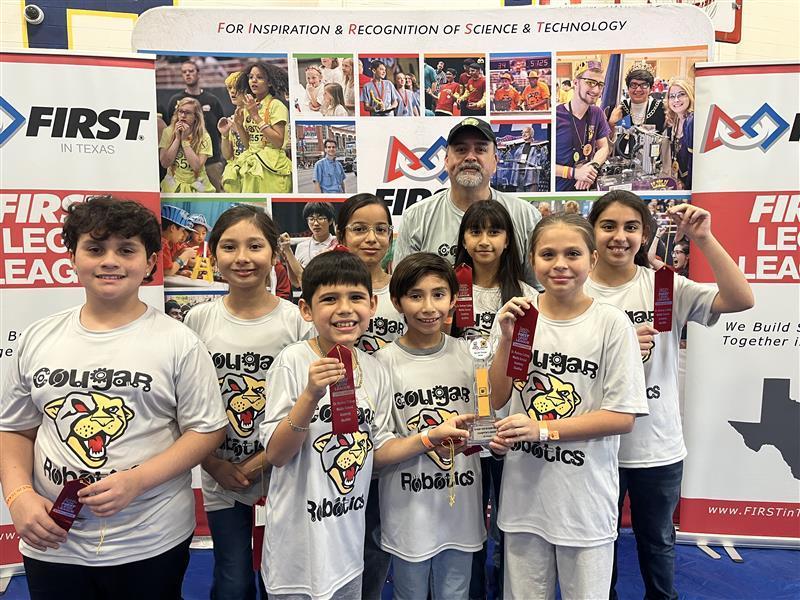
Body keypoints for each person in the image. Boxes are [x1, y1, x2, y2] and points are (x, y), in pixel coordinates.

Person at [0, 195, 227, 600]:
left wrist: (137, 480)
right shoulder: (39, 337)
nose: (110, 261)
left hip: (150, 537)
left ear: (151, 261)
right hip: (54, 539)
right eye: (95, 248)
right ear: (72, 257)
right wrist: (19, 497)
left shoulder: (180, 342)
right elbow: (15, 429)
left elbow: (206, 431)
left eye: (126, 249)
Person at [258, 250, 472, 599]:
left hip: (347, 546)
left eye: (356, 297)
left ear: (373, 305)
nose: (345, 309)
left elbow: (380, 449)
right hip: (298, 550)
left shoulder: (374, 369)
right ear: (306, 310)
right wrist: (310, 395)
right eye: (330, 299)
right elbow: (278, 454)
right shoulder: (293, 361)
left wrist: (430, 437)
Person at [584, 191, 753, 600]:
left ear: (645, 235)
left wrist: (704, 239)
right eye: (608, 226)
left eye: (631, 227)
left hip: (655, 446)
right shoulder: (573, 290)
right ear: (592, 232)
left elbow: (740, 299)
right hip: (593, 446)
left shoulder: (664, 285)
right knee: (596, 546)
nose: (619, 236)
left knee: (657, 543)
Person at [488, 213, 648, 600]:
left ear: (592, 260)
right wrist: (507, 341)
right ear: (532, 259)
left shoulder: (611, 323)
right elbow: (496, 400)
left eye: (572, 253)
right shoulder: (519, 317)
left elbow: (622, 417)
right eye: (548, 254)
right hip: (525, 498)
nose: (559, 264)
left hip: (584, 502)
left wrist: (542, 429)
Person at [183, 205, 314, 600]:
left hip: (285, 474)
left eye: (255, 246)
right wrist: (212, 463)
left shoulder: (296, 321)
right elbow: (184, 405)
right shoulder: (198, 320)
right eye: (229, 247)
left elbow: (307, 404)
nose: (242, 258)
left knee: (281, 578)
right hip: (221, 475)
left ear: (275, 254)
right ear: (213, 254)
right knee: (233, 579)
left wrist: (264, 461)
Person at [375, 253, 485, 600]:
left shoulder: (471, 355)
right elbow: (377, 451)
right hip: (408, 511)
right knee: (410, 592)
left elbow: (486, 421)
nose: (428, 306)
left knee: (456, 592)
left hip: (461, 506)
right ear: (397, 302)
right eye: (415, 295)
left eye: (438, 294)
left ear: (454, 299)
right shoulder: (381, 363)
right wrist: (428, 438)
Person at [451, 202, 537, 600]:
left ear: (508, 240)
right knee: (467, 526)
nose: (484, 241)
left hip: (509, 426)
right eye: (475, 232)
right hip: (461, 423)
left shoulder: (526, 294)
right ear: (463, 239)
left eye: (494, 232)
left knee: (508, 527)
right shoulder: (448, 288)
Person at [336, 193, 405, 599]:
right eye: (359, 229)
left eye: (381, 229)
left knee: (378, 538)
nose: (371, 238)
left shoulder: (404, 291)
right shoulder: (325, 287)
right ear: (342, 235)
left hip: (395, 437)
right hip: (343, 440)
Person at [394, 117, 541, 286]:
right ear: (447, 161)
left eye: (480, 149)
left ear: (495, 162)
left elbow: (537, 290)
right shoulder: (416, 217)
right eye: (461, 149)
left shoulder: (526, 216)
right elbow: (403, 289)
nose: (470, 157)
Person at [166, 60, 225, 192]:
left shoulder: (212, 100)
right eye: (184, 72)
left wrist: (221, 155)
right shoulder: (175, 101)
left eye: (191, 71)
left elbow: (221, 129)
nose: (188, 74)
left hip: (211, 160)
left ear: (198, 73)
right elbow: (169, 128)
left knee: (215, 197)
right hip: (182, 163)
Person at [236, 62, 293, 193]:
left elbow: (278, 142)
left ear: (269, 83)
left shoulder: (276, 105)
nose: (253, 81)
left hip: (272, 168)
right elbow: (248, 145)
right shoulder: (249, 106)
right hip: (252, 165)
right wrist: (239, 125)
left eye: (260, 77)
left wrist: (256, 116)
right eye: (251, 77)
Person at [554, 60, 611, 192]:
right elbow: (545, 166)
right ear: (575, 82)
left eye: (600, 85)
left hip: (588, 189)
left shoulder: (597, 113)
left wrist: (592, 166)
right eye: (590, 83)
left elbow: (604, 147)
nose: (596, 90)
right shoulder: (556, 116)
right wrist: (575, 173)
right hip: (560, 191)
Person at [159, 97, 215, 193]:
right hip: (173, 185)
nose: (183, 115)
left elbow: (197, 167)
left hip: (197, 186)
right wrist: (177, 139)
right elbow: (164, 163)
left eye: (188, 113)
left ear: (196, 117)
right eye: (180, 111)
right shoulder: (168, 132)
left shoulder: (204, 137)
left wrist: (184, 141)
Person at [279, 201, 338, 288]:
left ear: (330, 221)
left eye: (321, 218)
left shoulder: (338, 244)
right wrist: (288, 258)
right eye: (311, 219)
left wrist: (288, 250)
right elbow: (296, 282)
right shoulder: (301, 247)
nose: (316, 223)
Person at [609, 62, 666, 135]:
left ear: (651, 89)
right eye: (633, 85)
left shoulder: (661, 108)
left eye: (644, 85)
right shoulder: (619, 109)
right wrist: (611, 125)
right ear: (628, 88)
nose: (638, 89)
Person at [218, 71, 248, 193]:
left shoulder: (256, 115)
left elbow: (255, 148)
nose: (232, 92)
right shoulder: (232, 118)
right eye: (229, 88)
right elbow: (227, 156)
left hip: (252, 173)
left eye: (236, 87)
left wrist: (238, 129)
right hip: (236, 174)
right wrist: (224, 135)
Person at [664, 78, 695, 189]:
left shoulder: (692, 122)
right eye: (672, 96)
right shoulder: (674, 121)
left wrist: (687, 188)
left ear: (690, 96)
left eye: (681, 94)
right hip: (680, 182)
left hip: (692, 186)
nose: (676, 100)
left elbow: (694, 163)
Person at [161, 204, 197, 277]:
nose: (182, 235)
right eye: (182, 230)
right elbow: (168, 271)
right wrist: (185, 255)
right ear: (173, 228)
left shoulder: (164, 242)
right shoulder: (162, 243)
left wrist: (179, 272)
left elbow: (163, 270)